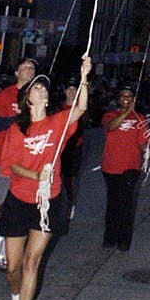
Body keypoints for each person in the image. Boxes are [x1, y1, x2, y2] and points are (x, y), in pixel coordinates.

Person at [0, 57, 91, 300]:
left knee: (31, 262)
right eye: (37, 88)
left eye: (44, 89)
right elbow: (10, 166)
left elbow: (81, 108)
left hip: (47, 201)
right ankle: (15, 298)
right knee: (13, 267)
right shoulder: (17, 129)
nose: (42, 91)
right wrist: (36, 174)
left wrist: (85, 76)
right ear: (27, 98)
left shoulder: (57, 123)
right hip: (19, 198)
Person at [0, 58, 36, 267]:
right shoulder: (5, 95)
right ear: (16, 72)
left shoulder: (37, 97)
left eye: (32, 69)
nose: (29, 71)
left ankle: (5, 247)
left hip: (24, 163)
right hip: (1, 158)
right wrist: (20, 117)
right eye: (25, 68)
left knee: (14, 209)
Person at [100, 84, 149, 251]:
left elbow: (142, 142)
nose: (126, 99)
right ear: (118, 99)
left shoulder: (141, 118)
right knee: (113, 203)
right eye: (123, 96)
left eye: (129, 96)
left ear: (134, 99)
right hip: (111, 167)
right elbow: (111, 127)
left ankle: (124, 241)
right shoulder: (109, 115)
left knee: (127, 204)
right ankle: (109, 237)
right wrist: (127, 112)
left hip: (131, 167)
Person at [59, 79, 86, 222]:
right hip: (58, 148)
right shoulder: (58, 108)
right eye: (69, 89)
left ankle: (70, 205)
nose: (71, 92)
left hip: (73, 148)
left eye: (74, 90)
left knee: (70, 181)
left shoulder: (80, 109)